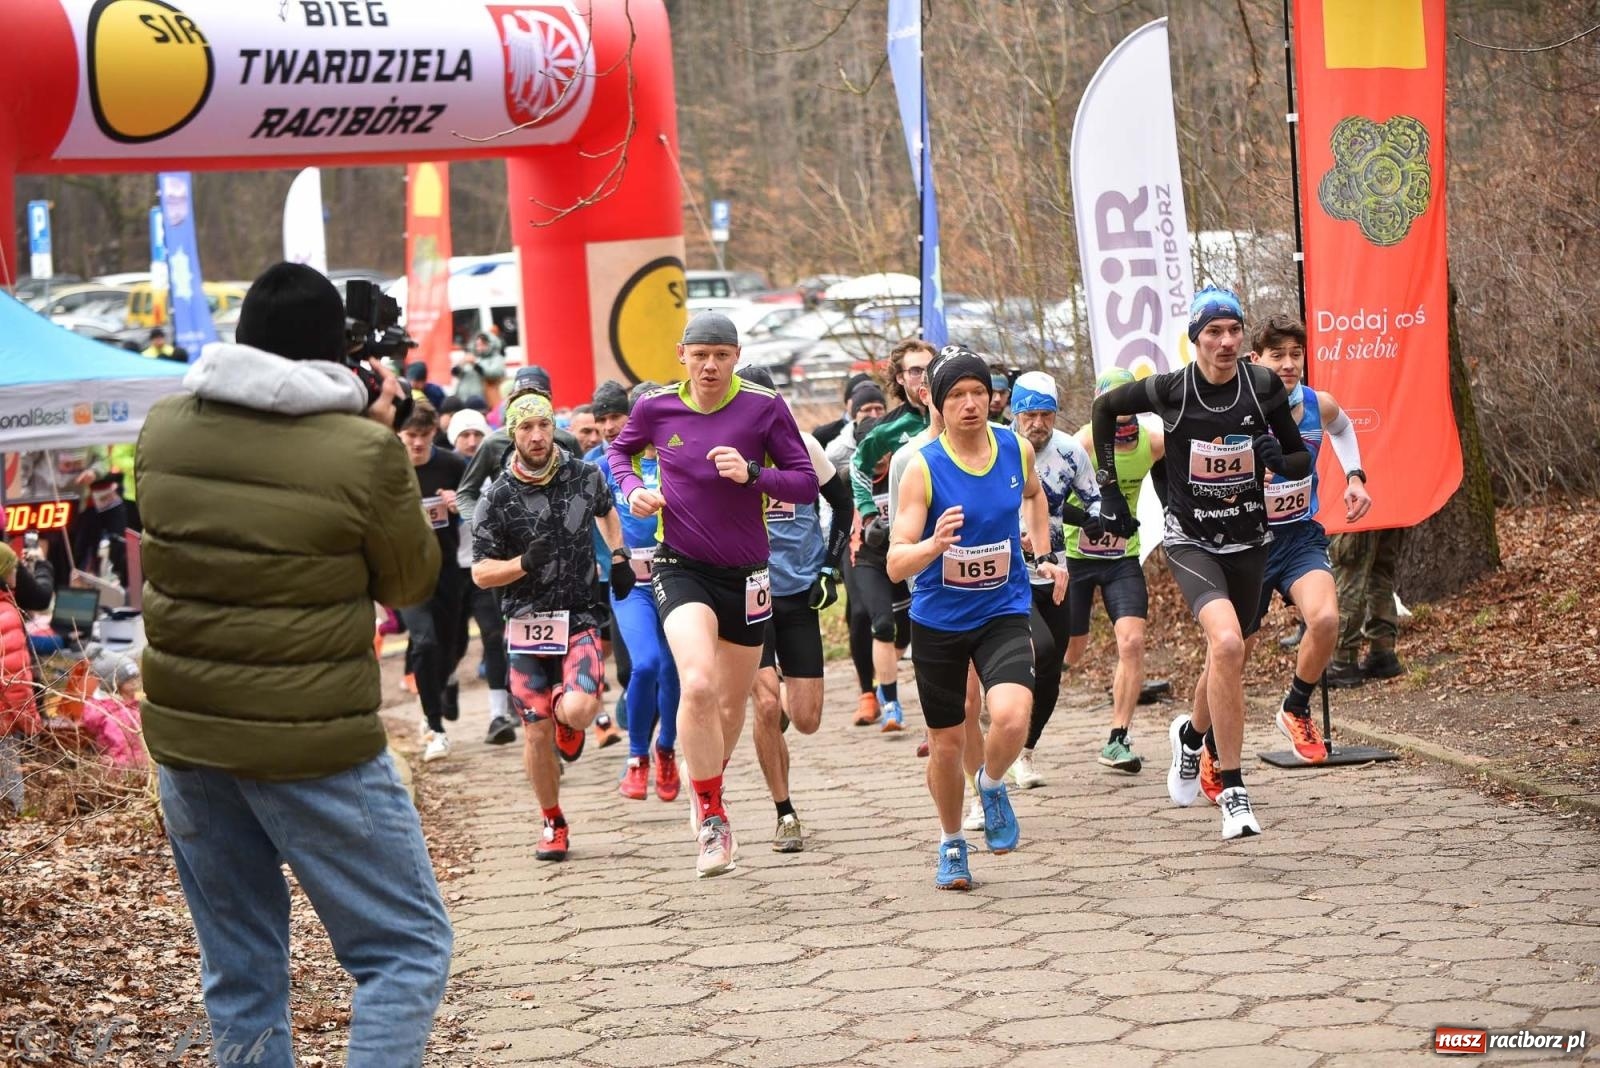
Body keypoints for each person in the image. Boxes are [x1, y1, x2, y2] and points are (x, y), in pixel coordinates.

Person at [137, 262, 451, 1066]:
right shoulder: (360, 450)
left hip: (191, 746)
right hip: (313, 746)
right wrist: (380, 434)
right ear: (335, 357)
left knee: (241, 970)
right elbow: (410, 580)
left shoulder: (165, 428)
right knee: (404, 949)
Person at [1091, 286, 1312, 840]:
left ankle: (1190, 738)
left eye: (1234, 330)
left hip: (1249, 539)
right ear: (1195, 341)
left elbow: (1298, 457)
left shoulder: (1261, 385)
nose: (1226, 341)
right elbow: (1103, 408)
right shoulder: (1171, 389)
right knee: (1229, 643)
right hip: (1190, 541)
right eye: (1213, 332)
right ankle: (1234, 790)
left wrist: (1274, 460)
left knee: (1229, 657)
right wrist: (1110, 493)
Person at [606, 312, 817, 878]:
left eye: (721, 355)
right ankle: (715, 816)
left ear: (736, 356)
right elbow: (617, 454)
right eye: (700, 354)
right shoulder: (655, 409)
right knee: (696, 682)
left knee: (728, 705)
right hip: (681, 567)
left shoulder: (763, 408)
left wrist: (753, 474)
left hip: (748, 574)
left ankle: (707, 783)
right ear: (682, 355)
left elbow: (804, 479)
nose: (710, 365)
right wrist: (633, 491)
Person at [887, 347, 1066, 890]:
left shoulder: (1014, 448)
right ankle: (951, 843)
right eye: (957, 395)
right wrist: (935, 544)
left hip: (1001, 608)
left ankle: (990, 784)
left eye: (979, 393)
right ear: (938, 404)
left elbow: (1034, 497)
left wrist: (1043, 550)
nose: (970, 404)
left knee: (1011, 715)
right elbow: (896, 562)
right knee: (945, 744)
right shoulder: (922, 467)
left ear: (993, 398)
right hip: (939, 620)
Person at [473, 392, 633, 861]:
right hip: (525, 624)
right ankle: (552, 821)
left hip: (580, 614)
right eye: (526, 428)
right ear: (512, 434)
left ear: (553, 426)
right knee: (535, 728)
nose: (537, 435)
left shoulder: (584, 474)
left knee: (581, 710)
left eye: (543, 425)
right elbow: (481, 573)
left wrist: (618, 554)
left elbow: (606, 508)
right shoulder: (496, 497)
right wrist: (522, 563)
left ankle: (571, 720)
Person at [1217, 314, 1374, 771]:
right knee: (1232, 653)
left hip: (1298, 535)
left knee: (1325, 618)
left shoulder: (1317, 403)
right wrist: (1245, 479)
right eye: (1277, 355)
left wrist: (1355, 477)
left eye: (1296, 355)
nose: (1288, 364)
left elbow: (1343, 429)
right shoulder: (1235, 408)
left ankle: (1296, 707)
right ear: (1256, 359)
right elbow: (1207, 477)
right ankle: (1201, 739)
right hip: (1246, 542)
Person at [738, 365, 852, 853]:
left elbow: (842, 502)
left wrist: (830, 566)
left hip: (799, 592)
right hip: (747, 594)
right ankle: (785, 811)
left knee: (804, 719)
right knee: (764, 705)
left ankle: (782, 699)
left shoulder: (802, 444)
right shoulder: (726, 450)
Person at [1066, 367, 1165, 775]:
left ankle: (1118, 738)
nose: (1121, 409)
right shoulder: (1083, 442)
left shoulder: (1154, 442)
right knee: (1070, 653)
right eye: (1112, 398)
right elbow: (1049, 494)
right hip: (1076, 557)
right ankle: (1016, 709)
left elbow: (1174, 479)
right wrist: (1085, 517)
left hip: (1123, 556)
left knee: (1132, 642)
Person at [1006, 371, 1101, 789]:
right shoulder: (998, 448)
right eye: (1029, 414)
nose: (1038, 424)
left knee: (1052, 667)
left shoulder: (1070, 451)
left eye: (1046, 414)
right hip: (1010, 574)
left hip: (1057, 572)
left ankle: (1025, 751)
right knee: (1039, 648)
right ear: (1015, 413)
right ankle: (1002, 717)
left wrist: (1099, 518)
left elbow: (1092, 496)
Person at [596, 382, 681, 802]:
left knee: (671, 670)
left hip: (678, 578)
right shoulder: (607, 465)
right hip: (632, 586)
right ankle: (636, 758)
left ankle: (665, 749)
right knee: (644, 666)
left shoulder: (678, 457)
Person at [850, 340, 937, 730]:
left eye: (928, 368)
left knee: (931, 629)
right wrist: (869, 516)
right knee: (885, 625)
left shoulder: (959, 415)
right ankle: (890, 704)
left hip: (946, 544)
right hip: (893, 548)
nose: (923, 377)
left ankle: (954, 712)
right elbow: (856, 467)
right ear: (900, 379)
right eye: (914, 371)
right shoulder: (890, 429)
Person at [398, 401, 469, 763]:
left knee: (453, 645)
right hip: (406, 572)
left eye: (424, 436)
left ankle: (446, 681)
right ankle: (434, 726)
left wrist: (460, 503)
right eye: (411, 436)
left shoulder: (452, 465)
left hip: (448, 568)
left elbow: (481, 504)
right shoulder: (387, 466)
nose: (417, 444)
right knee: (424, 643)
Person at [448, 408, 515, 744]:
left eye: (477, 434)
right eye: (465, 435)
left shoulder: (495, 469)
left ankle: (498, 714)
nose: (472, 442)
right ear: (453, 439)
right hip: (448, 570)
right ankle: (445, 680)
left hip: (485, 567)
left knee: (494, 636)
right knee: (452, 643)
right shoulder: (443, 468)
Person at [455, 365, 582, 524]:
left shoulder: (567, 440)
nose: (529, 404)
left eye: (537, 395)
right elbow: (465, 494)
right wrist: (485, 526)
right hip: (512, 541)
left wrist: (573, 523)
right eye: (522, 396)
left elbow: (584, 488)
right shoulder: (493, 443)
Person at [0, 543, 52, 815]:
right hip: (4, 722)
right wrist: (31, 721)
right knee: (10, 790)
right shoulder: (6, 614)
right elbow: (15, 679)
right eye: (12, 569)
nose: (17, 574)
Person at [1328, 528, 1405, 686]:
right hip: (1389, 511)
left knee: (1350, 577)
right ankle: (1383, 651)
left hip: (1357, 513)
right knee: (1380, 574)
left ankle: (1343, 661)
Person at [453, 332, 506, 405]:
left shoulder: (496, 358)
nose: (479, 348)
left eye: (483, 345)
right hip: (463, 400)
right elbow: (455, 374)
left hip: (484, 402)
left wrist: (475, 364)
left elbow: (494, 374)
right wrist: (461, 364)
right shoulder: (470, 357)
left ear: (491, 344)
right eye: (477, 345)